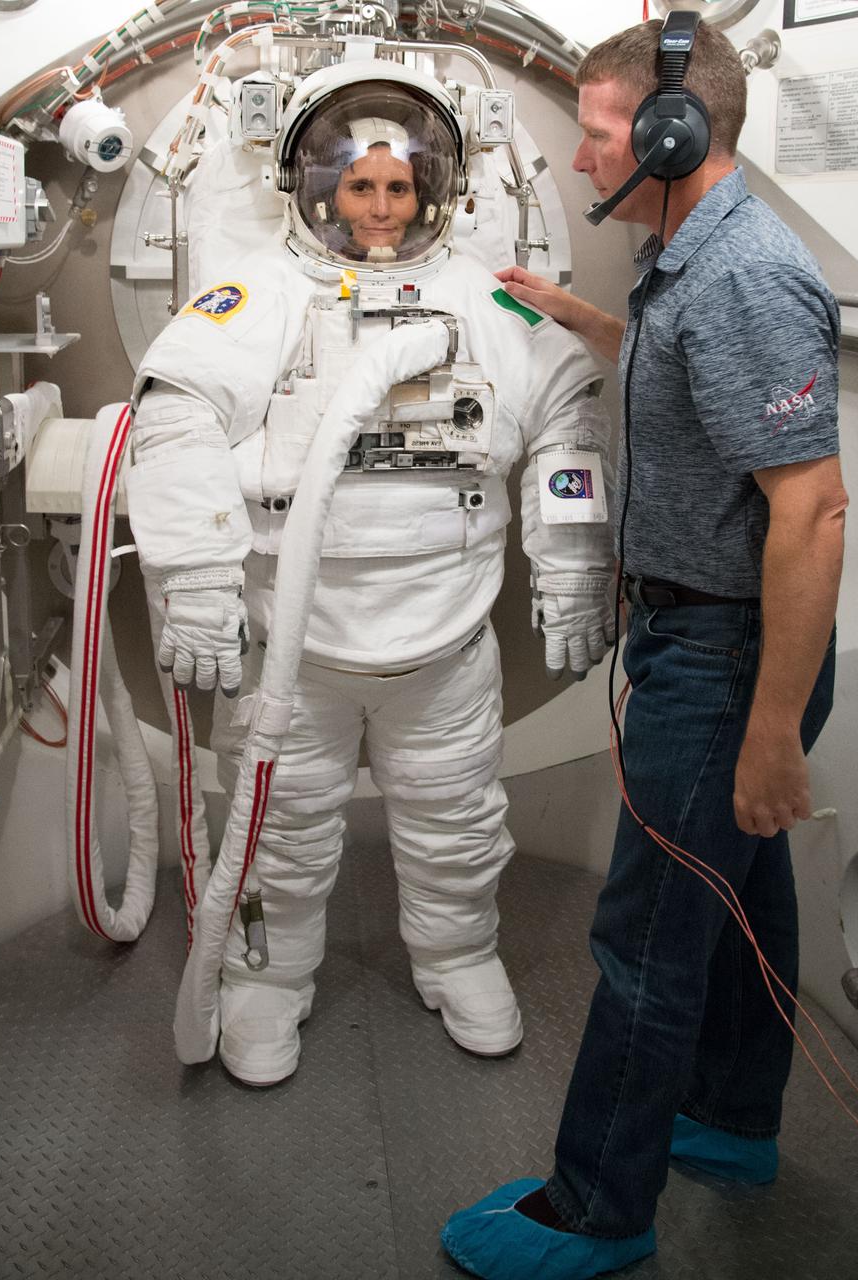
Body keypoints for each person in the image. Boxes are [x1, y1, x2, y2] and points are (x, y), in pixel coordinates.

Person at [441, 18, 846, 1279]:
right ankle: (729, 1118)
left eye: (599, 134)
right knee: (742, 901)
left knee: (647, 934)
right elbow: (688, 382)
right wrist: (575, 316)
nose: (581, 160)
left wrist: (769, 729)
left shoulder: (743, 276)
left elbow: (814, 509)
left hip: (728, 659)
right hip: (709, 643)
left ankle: (596, 1209)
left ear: (674, 133)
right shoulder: (687, 264)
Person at [122, 60, 615, 1085]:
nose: (381, 207)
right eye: (360, 186)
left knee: (455, 823)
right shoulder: (261, 290)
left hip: (443, 641)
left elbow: (568, 419)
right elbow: (174, 416)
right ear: (317, 186)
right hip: (294, 643)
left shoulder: (481, 294)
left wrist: (571, 565)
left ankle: (458, 957)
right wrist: (200, 580)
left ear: (430, 188)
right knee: (278, 832)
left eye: (397, 185)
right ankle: (267, 979)